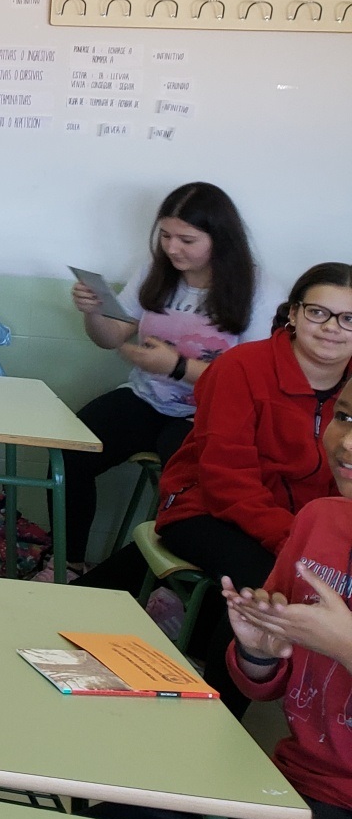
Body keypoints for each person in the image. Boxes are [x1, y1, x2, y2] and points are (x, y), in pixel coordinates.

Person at [81, 264, 352, 714]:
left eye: (348, 318)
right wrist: (297, 543)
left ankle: (176, 619)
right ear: (293, 313)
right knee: (264, 588)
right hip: (204, 506)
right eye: (318, 312)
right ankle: (219, 719)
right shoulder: (240, 368)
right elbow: (227, 481)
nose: (332, 328)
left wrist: (313, 540)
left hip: (297, 527)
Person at [63, 183, 271, 570]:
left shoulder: (258, 289)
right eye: (165, 236)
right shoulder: (154, 271)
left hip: (206, 416)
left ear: (220, 239)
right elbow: (110, 338)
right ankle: (69, 564)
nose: (173, 249)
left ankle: (165, 586)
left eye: (187, 240)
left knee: (189, 496)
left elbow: (252, 382)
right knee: (70, 451)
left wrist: (176, 366)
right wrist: (93, 312)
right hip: (147, 397)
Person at [224, 279, 352, 819]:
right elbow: (269, 686)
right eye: (345, 416)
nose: (348, 444)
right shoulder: (320, 521)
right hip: (299, 781)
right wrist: (258, 652)